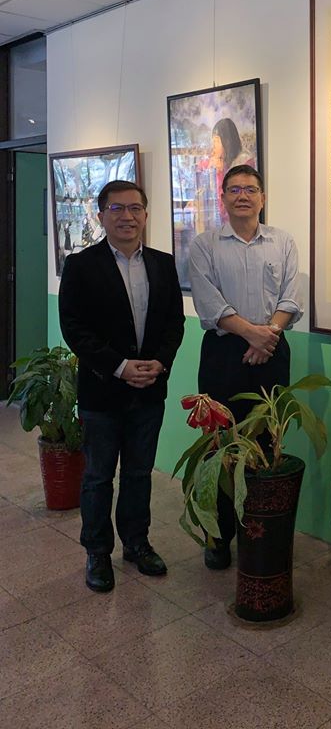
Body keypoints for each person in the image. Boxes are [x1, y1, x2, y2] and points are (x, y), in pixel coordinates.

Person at [58, 180, 185, 593]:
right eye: (117, 209)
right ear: (101, 216)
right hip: (101, 392)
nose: (127, 216)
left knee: (138, 473)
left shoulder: (163, 264)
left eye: (135, 208)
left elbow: (174, 323)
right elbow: (74, 328)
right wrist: (119, 367)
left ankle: (136, 542)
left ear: (146, 215)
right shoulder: (81, 265)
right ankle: (97, 551)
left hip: (149, 389)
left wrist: (160, 362)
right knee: (98, 477)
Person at [188, 164, 302, 569]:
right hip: (224, 354)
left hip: (272, 349)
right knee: (220, 443)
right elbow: (209, 303)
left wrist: (266, 336)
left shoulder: (283, 242)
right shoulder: (204, 245)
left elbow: (291, 298)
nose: (242, 196)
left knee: (267, 441)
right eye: (234, 189)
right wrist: (254, 335)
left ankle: (260, 530)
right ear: (223, 198)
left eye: (250, 189)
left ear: (262, 198)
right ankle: (219, 535)